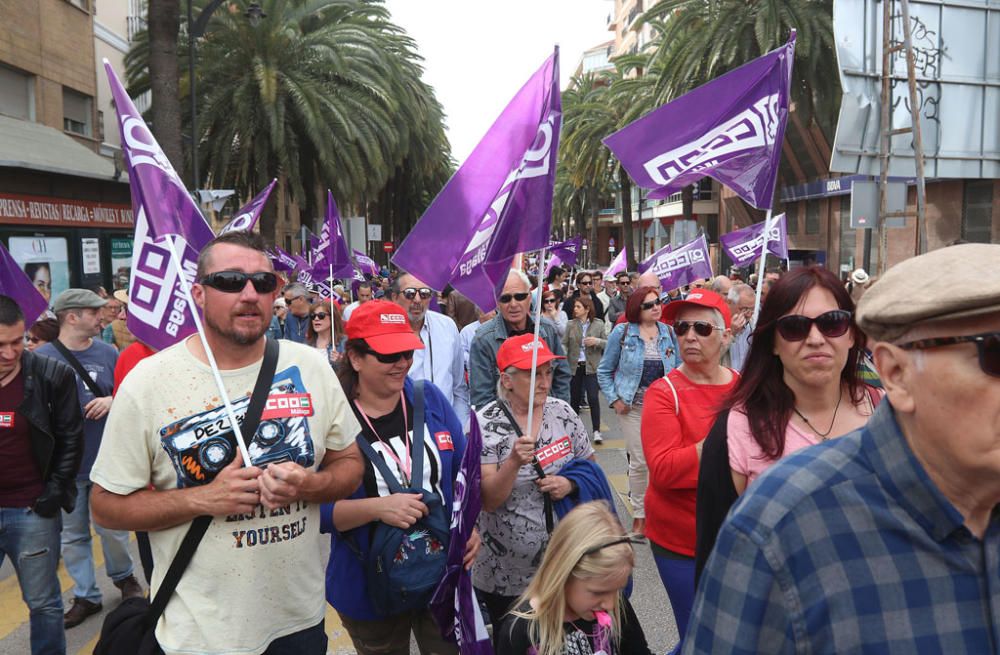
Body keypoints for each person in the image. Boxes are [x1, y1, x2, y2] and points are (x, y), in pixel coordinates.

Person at [684, 245, 1000, 653]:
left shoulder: (878, 404)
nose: (816, 339)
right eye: (994, 353)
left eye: (833, 323)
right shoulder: (776, 523)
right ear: (897, 373)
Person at [90, 231, 365, 655]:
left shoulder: (310, 367)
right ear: (198, 293)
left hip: (299, 622)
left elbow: (349, 462)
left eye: (264, 282)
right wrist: (205, 499)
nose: (249, 294)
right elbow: (105, 505)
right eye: (231, 281)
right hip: (198, 634)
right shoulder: (148, 383)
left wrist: (308, 486)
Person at [694, 267, 882, 582]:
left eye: (832, 323)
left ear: (851, 334)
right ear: (773, 343)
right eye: (795, 327)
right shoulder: (736, 430)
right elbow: (716, 566)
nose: (815, 339)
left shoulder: (887, 412)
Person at [323, 299, 478, 654]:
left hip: (440, 574)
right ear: (356, 358)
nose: (402, 364)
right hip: (368, 587)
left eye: (407, 352)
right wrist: (377, 509)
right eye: (389, 356)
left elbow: (462, 476)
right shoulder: (330, 418)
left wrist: (470, 526)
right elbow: (314, 513)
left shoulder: (430, 398)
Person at [36, 289, 143, 628]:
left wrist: (113, 399)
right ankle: (86, 595)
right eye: (94, 312)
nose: (103, 316)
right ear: (71, 317)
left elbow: (130, 392)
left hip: (106, 460)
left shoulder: (108, 352)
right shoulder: (41, 358)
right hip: (65, 466)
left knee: (112, 528)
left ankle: (124, 577)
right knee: (73, 534)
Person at [640, 290, 738, 653]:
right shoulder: (664, 393)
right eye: (681, 328)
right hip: (680, 542)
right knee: (699, 635)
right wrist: (720, 441)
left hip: (736, 538)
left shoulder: (745, 388)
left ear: (726, 336)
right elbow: (665, 470)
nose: (690, 336)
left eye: (702, 328)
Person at [475, 334, 595, 627]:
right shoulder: (485, 423)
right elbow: (488, 501)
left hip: (564, 560)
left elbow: (591, 469)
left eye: (547, 372)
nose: (544, 382)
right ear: (507, 380)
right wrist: (513, 463)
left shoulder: (562, 412)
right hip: (506, 573)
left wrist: (570, 485)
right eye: (533, 375)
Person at [0, 295, 83, 655]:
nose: (10, 353)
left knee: (44, 604)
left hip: (31, 509)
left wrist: (54, 492)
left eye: (18, 341)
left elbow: (70, 439)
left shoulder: (52, 374)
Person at [497, 501, 652, 655]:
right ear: (563, 576)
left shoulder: (618, 607)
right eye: (598, 592)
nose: (610, 603)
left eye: (617, 589)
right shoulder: (520, 630)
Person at [598, 286, 680, 534]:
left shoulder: (669, 332)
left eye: (658, 302)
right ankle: (640, 514)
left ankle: (659, 508)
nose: (656, 307)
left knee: (662, 460)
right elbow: (604, 370)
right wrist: (615, 400)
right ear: (636, 308)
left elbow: (677, 369)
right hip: (632, 408)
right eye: (649, 304)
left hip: (663, 409)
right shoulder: (622, 333)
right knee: (641, 460)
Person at [469, 270, 571, 409]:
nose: (513, 304)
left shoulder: (546, 329)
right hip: (506, 425)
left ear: (529, 298)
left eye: (520, 297)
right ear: (497, 302)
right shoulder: (483, 339)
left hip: (547, 420)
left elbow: (562, 375)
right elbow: (482, 398)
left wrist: (558, 413)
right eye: (505, 298)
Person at [392, 272, 470, 427]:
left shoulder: (447, 327)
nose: (417, 300)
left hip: (447, 428)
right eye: (409, 294)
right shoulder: (385, 332)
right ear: (395, 297)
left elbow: (458, 388)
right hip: (404, 430)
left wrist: (458, 428)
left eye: (424, 293)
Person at [564, 295, 606, 443]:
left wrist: (597, 341)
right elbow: (564, 344)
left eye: (578, 307)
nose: (575, 309)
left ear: (587, 309)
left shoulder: (598, 324)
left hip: (592, 367)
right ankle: (574, 431)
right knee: (574, 400)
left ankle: (596, 431)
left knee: (593, 398)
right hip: (575, 366)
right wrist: (562, 356)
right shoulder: (570, 324)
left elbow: (608, 344)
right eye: (574, 307)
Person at [722, 283, 755, 372]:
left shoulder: (753, 326)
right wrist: (731, 333)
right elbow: (711, 356)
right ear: (729, 303)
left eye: (752, 309)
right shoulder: (717, 324)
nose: (749, 314)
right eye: (744, 309)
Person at [306, 299, 345, 368]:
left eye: (321, 315)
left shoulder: (344, 342)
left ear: (332, 317)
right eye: (313, 315)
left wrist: (340, 362)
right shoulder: (306, 344)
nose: (316, 319)